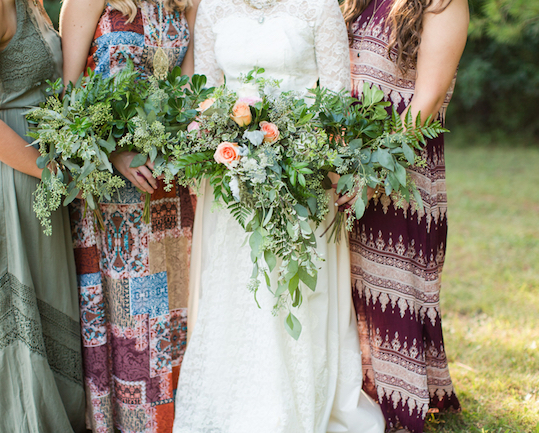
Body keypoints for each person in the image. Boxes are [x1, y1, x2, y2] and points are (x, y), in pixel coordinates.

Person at [173, 0, 386, 431]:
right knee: (240, 287)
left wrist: (306, 153)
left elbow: (338, 97)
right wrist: (222, 140)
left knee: (294, 286)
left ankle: (295, 403)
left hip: (302, 171)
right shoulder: (213, 8)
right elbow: (208, 93)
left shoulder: (319, 7)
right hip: (231, 174)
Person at [59, 0, 197, 430]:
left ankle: (175, 421)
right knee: (130, 323)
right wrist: (114, 152)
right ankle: (129, 421)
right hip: (113, 192)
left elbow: (190, 88)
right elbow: (68, 93)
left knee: (174, 318)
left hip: (170, 187)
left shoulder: (184, 3)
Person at [0, 0, 86, 431]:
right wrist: (53, 171)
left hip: (41, 170)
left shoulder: (31, 3)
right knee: (16, 300)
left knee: (46, 299)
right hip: (9, 166)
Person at [338, 0, 469, 431]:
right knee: (352, 287)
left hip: (402, 174)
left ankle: (401, 402)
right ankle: (352, 396)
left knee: (396, 289)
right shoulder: (356, 2)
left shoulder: (443, 4)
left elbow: (426, 102)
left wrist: (374, 168)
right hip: (346, 170)